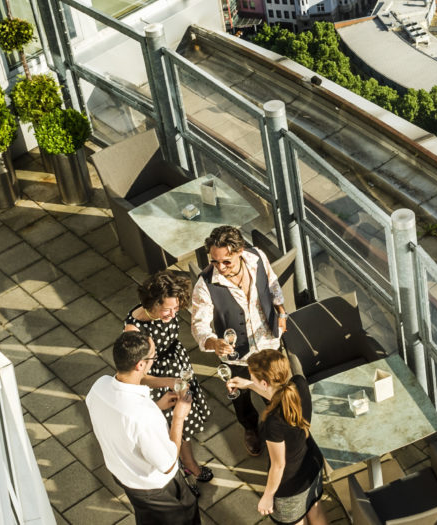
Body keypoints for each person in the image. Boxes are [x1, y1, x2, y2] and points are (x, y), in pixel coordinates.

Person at [189, 225, 286, 456]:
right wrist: (214, 342)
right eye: (215, 261)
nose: (220, 268)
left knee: (276, 391)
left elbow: (273, 285)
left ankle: (281, 427)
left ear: (239, 251)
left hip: (268, 343)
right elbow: (198, 326)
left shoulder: (258, 257)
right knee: (241, 397)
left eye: (226, 262)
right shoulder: (205, 284)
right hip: (237, 357)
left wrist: (282, 313)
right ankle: (250, 428)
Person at [86, 331, 198, 525]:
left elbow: (123, 422)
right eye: (153, 358)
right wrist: (179, 416)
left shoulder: (99, 386)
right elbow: (168, 464)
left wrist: (159, 403)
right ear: (140, 365)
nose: (154, 361)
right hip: (156, 489)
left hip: (125, 476)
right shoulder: (144, 416)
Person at [124, 270, 213, 483]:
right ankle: (185, 467)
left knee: (184, 422)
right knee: (173, 426)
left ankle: (186, 464)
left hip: (177, 364)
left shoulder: (167, 311)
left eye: (176, 308)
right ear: (152, 303)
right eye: (167, 310)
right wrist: (171, 382)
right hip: (159, 380)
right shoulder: (134, 332)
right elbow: (138, 377)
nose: (173, 315)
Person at [228, 350, 325, 525]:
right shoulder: (299, 383)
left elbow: (278, 465)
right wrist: (249, 384)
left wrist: (268, 495)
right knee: (315, 511)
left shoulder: (273, 423)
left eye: (253, 377)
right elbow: (276, 393)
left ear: (264, 383)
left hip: (291, 484)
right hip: (312, 465)